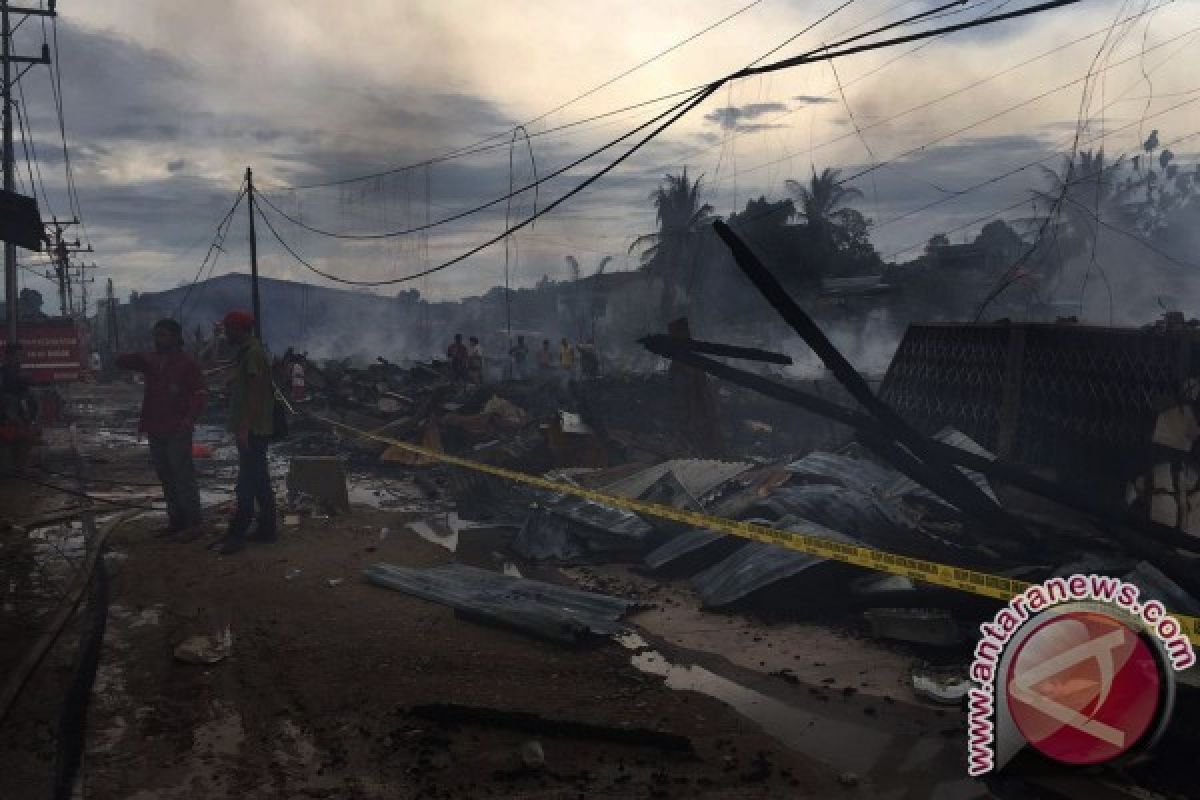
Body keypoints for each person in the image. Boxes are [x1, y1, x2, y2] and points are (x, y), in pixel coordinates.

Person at [115, 319, 206, 539]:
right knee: (166, 475)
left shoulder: (187, 363)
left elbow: (200, 394)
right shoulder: (151, 361)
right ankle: (176, 521)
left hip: (177, 428)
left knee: (182, 476)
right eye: (156, 335)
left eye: (163, 335)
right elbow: (123, 361)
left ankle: (193, 524)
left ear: (176, 337)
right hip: (156, 426)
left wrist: (188, 420)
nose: (158, 340)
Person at [215, 311, 277, 555]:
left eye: (228, 329)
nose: (226, 334)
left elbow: (255, 394)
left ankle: (236, 534)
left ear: (239, 329)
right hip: (256, 428)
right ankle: (267, 530)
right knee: (260, 481)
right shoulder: (251, 352)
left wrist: (244, 427)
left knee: (246, 483)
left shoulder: (252, 353)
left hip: (252, 429)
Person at [1, 342, 39, 469]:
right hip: (6, 409)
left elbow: (26, 388)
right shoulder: (3, 372)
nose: (19, 358)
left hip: (19, 409)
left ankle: (29, 423)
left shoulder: (21, 372)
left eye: (21, 355)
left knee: (32, 395)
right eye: (17, 355)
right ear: (8, 356)